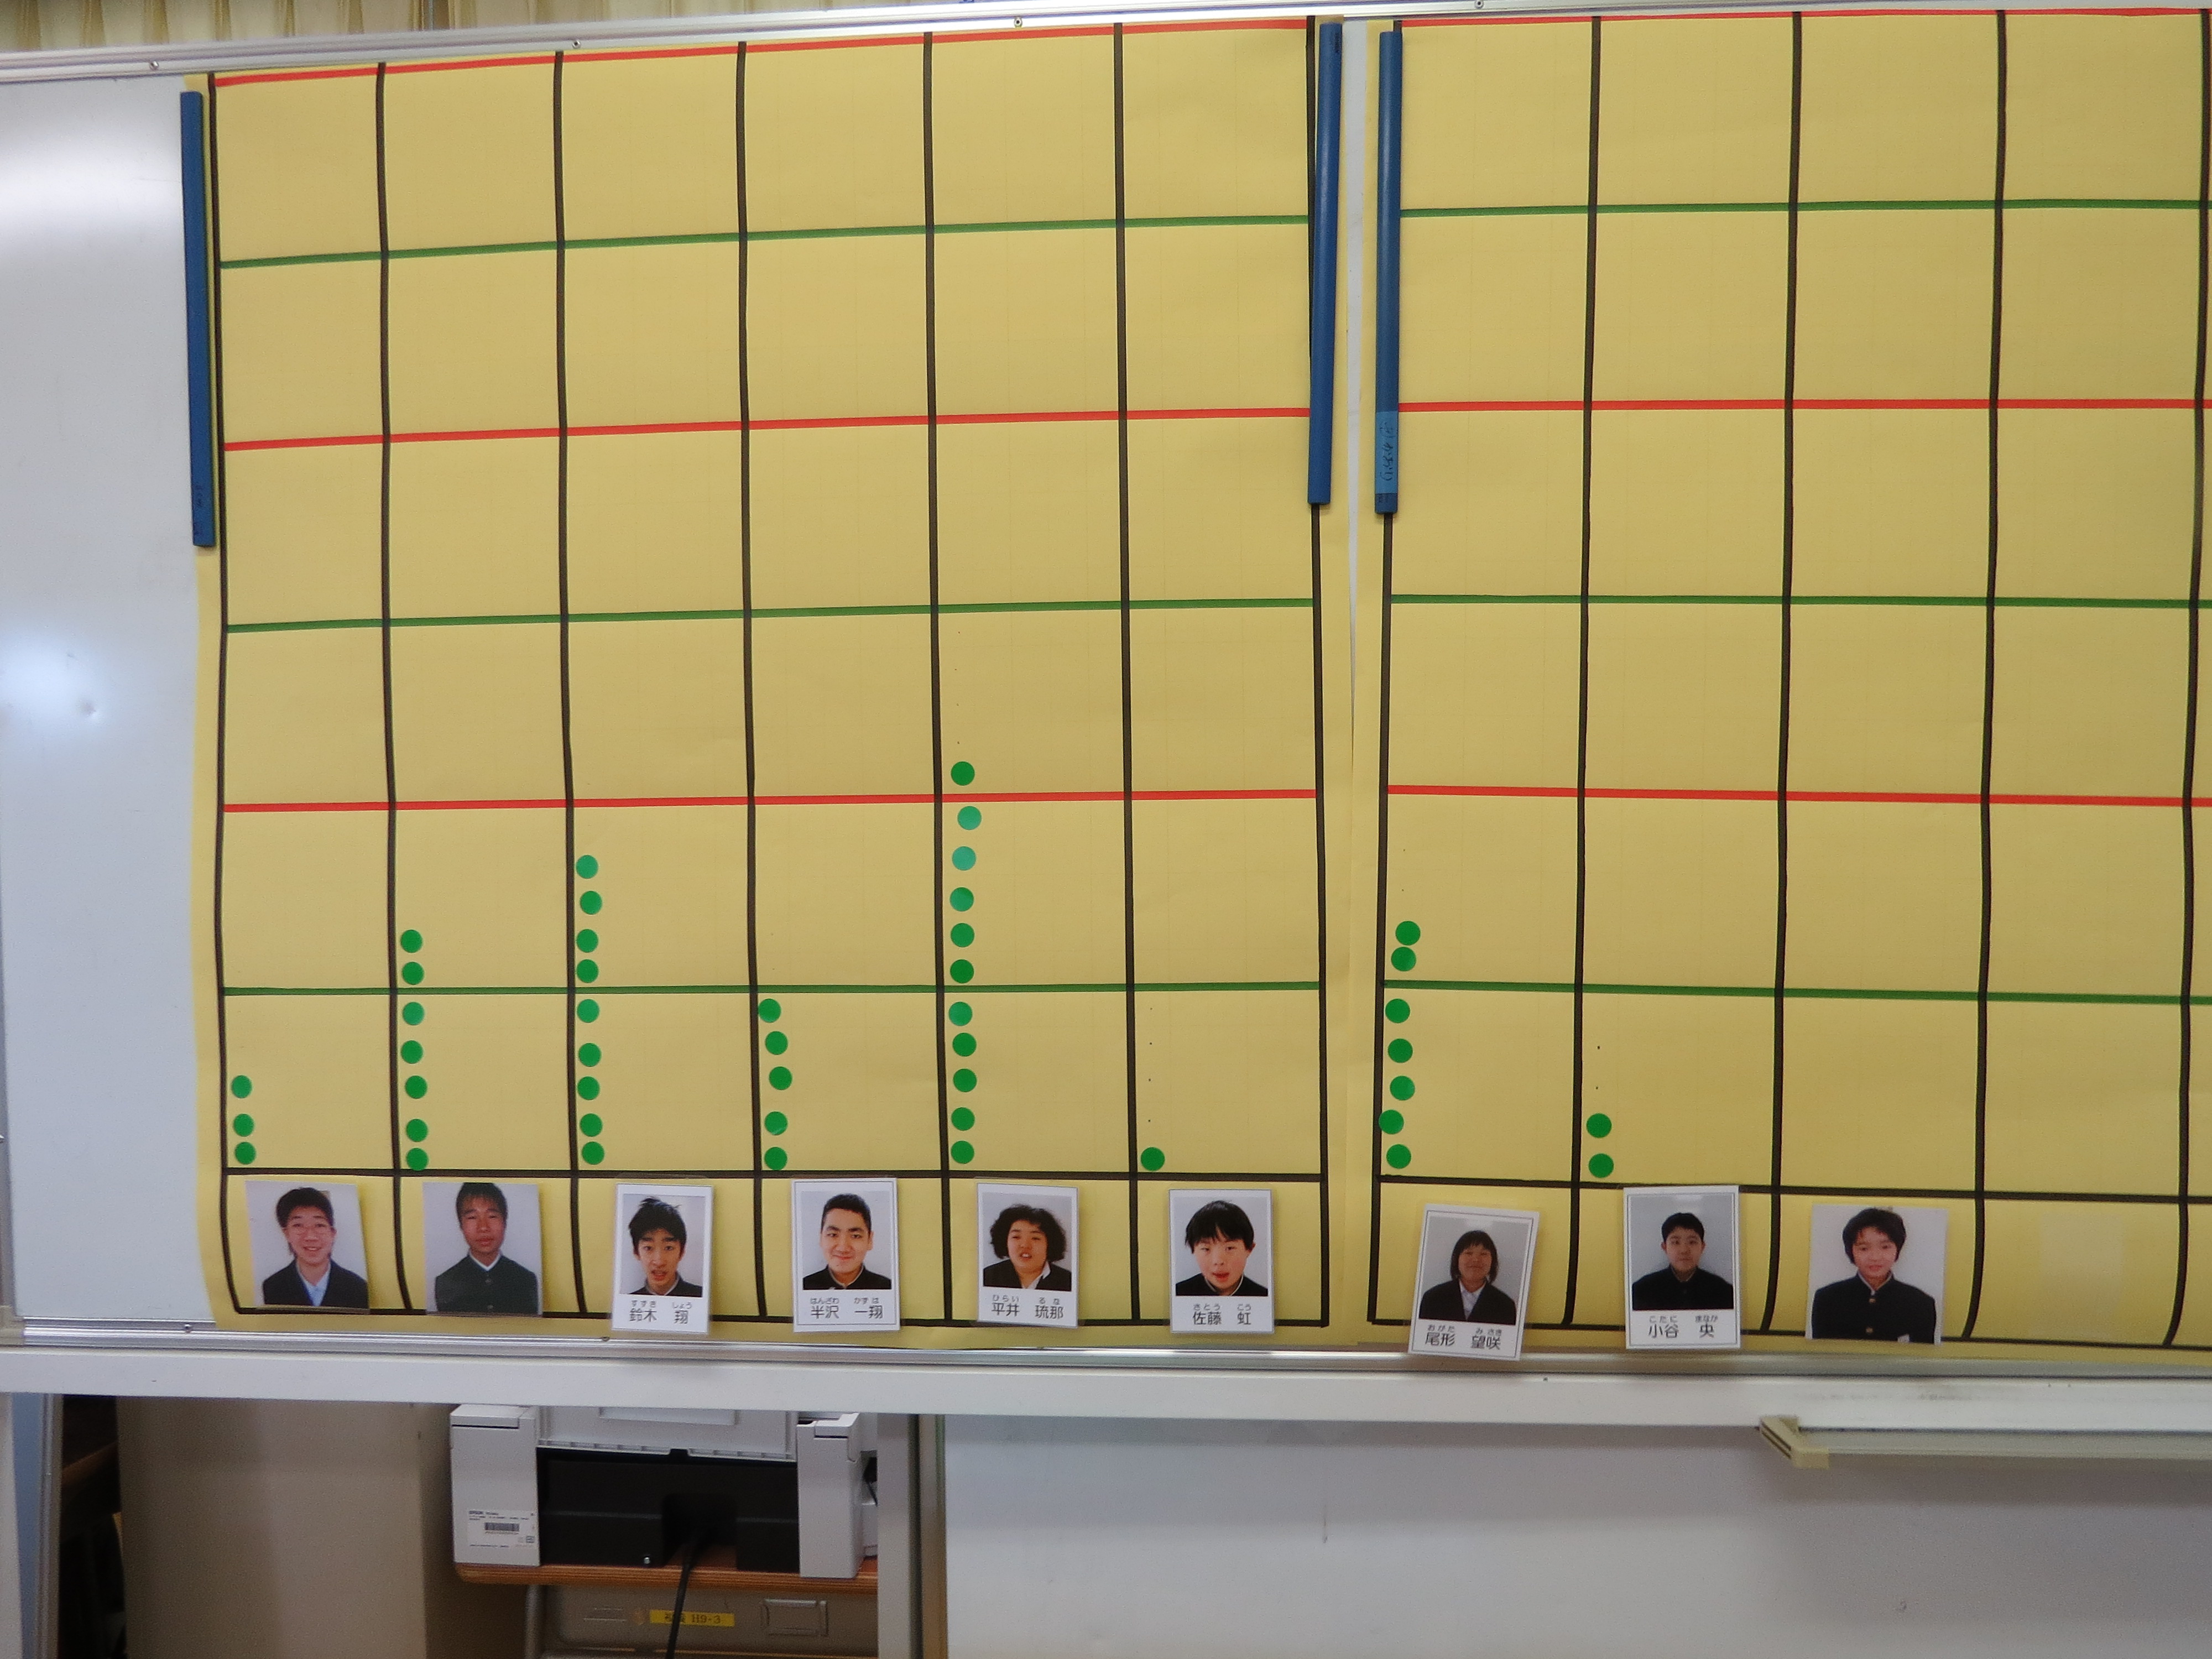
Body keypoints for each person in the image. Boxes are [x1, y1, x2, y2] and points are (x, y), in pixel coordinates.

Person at [1809, 1206, 1938, 1343]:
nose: (1875, 1257)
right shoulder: (1827, 1299)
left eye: (1885, 1247)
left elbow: (1922, 1356)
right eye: (1864, 1248)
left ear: (1897, 1249)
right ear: (1851, 1251)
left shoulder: (1920, 1303)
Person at [432, 1182, 540, 1315]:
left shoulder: (525, 1280)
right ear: (461, 1226)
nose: (483, 1227)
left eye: (492, 1216)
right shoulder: (446, 1282)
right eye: (472, 1217)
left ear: (505, 1222)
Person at [261, 1187, 371, 1308]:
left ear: (332, 1233)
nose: (311, 1237)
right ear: (286, 1234)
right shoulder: (272, 1286)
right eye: (298, 1225)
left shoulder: (358, 1287)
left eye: (319, 1225)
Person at [1630, 1211, 1735, 1312]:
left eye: (1692, 1242)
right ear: (1665, 1247)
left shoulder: (1723, 1291)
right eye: (1676, 1242)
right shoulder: (1641, 1290)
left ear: (1702, 1247)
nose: (1684, 1250)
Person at [1416, 1228, 1517, 1324]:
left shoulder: (1506, 1305)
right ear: (1457, 1259)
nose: (1476, 1259)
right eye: (1469, 1253)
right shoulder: (1433, 1298)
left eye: (1483, 1254)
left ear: (1493, 1262)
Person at [1173, 1199, 1269, 1298]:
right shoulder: (1178, 1293)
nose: (1218, 1261)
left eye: (1230, 1248)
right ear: (1193, 1249)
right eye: (1206, 1249)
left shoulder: (1264, 1296)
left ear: (1249, 1249)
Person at [801, 1193, 893, 1290]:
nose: (843, 1248)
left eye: (855, 1236)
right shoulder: (804, 1287)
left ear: (870, 1240)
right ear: (821, 1238)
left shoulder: (887, 1287)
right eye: (833, 1235)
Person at [981, 1204, 1073, 1292]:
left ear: (1050, 1244)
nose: (1025, 1245)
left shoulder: (1068, 1281)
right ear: (1005, 1241)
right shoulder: (987, 1277)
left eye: (1035, 1238)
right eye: (1016, 1237)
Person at [627, 1197, 702, 1298]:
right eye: (648, 1248)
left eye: (669, 1248)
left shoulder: (700, 1297)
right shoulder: (628, 1302)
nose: (659, 1262)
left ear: (682, 1252)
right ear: (636, 1252)